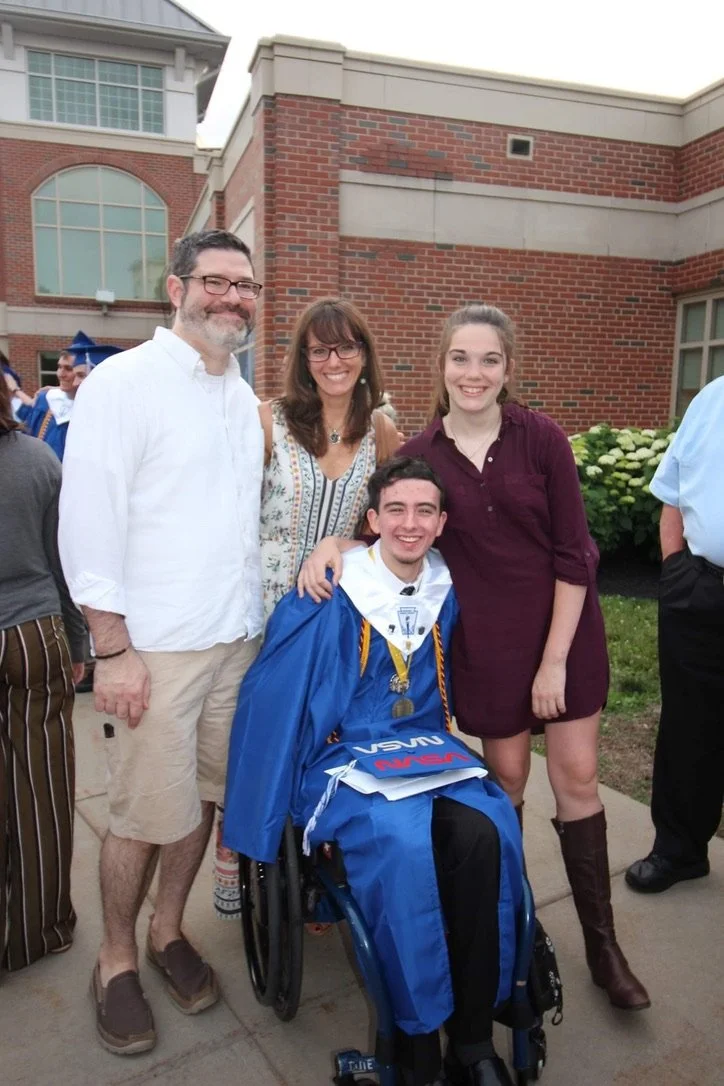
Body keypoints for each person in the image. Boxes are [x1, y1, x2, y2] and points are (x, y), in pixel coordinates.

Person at [301, 304, 649, 1012]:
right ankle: (508, 943)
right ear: (442, 367)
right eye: (461, 358)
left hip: (564, 627)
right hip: (486, 643)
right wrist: (332, 545)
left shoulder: (542, 439)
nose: (474, 373)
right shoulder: (425, 452)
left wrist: (554, 663)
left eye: (489, 359)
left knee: (578, 774)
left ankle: (603, 946)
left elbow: (575, 554)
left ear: (508, 369)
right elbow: (391, 522)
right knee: (508, 781)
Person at [224, 457, 524, 1086]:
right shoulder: (332, 591)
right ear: (372, 520)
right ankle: (414, 1040)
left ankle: (471, 1040)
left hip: (427, 749)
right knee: (399, 842)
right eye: (395, 510)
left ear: (441, 523)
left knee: (488, 826)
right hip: (346, 754)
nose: (409, 524)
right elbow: (276, 694)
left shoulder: (445, 585)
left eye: (423, 512)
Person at [58, 229, 265, 1055]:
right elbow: (88, 522)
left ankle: (167, 931)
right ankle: (114, 960)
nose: (232, 297)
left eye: (245, 286)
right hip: (156, 649)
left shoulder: (238, 395)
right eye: (215, 282)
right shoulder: (125, 384)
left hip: (234, 641)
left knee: (201, 800)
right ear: (175, 291)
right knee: (142, 814)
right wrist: (112, 649)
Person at [213, 296, 400, 919]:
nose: (333, 360)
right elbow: (229, 514)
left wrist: (344, 541)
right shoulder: (269, 420)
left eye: (346, 346)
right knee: (259, 743)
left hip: (333, 612)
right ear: (303, 359)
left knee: (320, 741)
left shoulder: (383, 428)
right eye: (319, 349)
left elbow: (387, 524)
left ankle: (312, 873)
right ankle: (246, 862)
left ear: (365, 353)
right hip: (262, 610)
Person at [0, 374, 88, 971]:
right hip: (32, 631)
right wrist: (80, 639)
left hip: (30, 622)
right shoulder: (38, 458)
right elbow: (66, 562)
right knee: (42, 792)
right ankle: (39, 929)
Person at [625, 376, 724, 894]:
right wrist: (676, 570)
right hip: (700, 591)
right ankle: (680, 851)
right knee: (690, 728)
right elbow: (674, 492)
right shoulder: (713, 397)